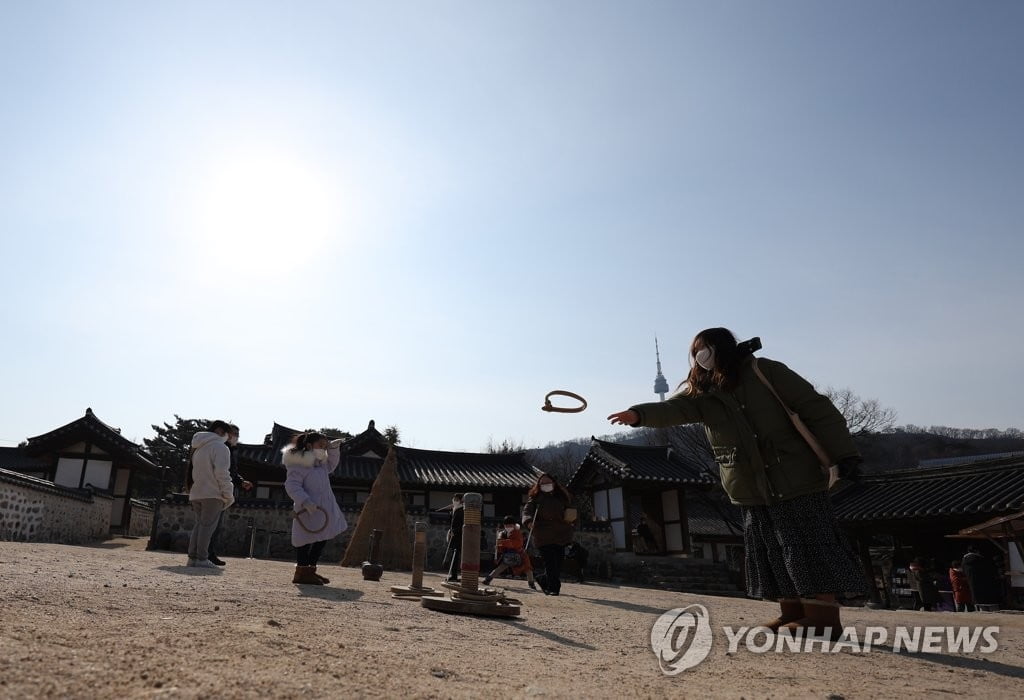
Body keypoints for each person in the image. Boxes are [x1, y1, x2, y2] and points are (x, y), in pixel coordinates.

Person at [608, 328, 866, 639]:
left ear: (721, 347)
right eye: (696, 353)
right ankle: (791, 611)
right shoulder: (702, 391)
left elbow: (818, 409)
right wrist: (639, 414)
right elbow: (674, 408)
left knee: (807, 544)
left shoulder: (765, 371)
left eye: (703, 349)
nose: (699, 357)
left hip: (793, 474)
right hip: (748, 484)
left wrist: (844, 454)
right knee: (771, 549)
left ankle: (823, 617)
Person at [283, 431, 347, 585]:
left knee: (322, 537)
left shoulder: (321, 463)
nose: (323, 449)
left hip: (323, 509)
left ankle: (310, 570)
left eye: (325, 446)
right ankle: (302, 572)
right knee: (304, 541)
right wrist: (305, 501)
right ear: (309, 445)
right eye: (321, 446)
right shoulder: (299, 463)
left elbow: (332, 465)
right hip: (307, 509)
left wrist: (333, 449)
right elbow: (292, 485)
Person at [187, 420, 236, 568]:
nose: (230, 438)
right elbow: (222, 473)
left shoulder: (199, 448)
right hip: (213, 493)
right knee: (207, 527)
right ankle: (202, 558)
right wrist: (228, 494)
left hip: (197, 492)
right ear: (221, 432)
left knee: (199, 525)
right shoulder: (220, 447)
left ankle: (193, 557)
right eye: (229, 434)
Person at [207, 423, 254, 566]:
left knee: (213, 525)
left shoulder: (231, 450)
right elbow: (222, 471)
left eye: (237, 435)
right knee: (210, 525)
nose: (235, 437)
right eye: (234, 434)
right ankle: (205, 554)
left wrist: (240, 481)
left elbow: (231, 472)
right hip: (215, 489)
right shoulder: (221, 448)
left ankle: (208, 553)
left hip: (221, 488)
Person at [522, 473, 574, 596]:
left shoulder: (562, 497)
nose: (545, 485)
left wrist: (572, 519)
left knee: (558, 562)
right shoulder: (535, 498)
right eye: (542, 483)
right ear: (539, 485)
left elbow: (571, 510)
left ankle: (543, 579)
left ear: (554, 483)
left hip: (561, 533)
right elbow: (527, 511)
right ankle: (554, 588)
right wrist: (528, 521)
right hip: (543, 534)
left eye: (548, 482)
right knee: (550, 562)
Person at [483, 516, 537, 589]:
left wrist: (502, 543)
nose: (508, 526)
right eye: (506, 525)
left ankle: (531, 583)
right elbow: (500, 544)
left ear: (514, 525)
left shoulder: (517, 533)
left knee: (528, 569)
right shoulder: (503, 533)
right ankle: (488, 579)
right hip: (508, 555)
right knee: (501, 567)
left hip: (520, 554)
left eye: (510, 525)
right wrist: (498, 547)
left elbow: (517, 543)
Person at [445, 494, 464, 582]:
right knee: (453, 555)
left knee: (456, 556)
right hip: (454, 535)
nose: (454, 500)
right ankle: (453, 575)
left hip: (459, 536)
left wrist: (455, 531)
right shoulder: (455, 509)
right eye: (454, 499)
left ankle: (455, 576)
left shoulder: (462, 510)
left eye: (456, 499)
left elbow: (461, 524)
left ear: (460, 500)